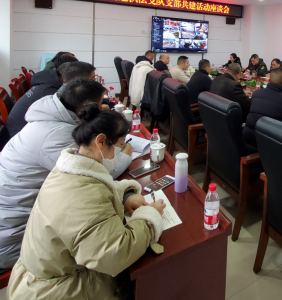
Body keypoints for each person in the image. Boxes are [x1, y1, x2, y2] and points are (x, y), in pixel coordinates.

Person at [7, 104, 165, 300]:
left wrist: (124, 196)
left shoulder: (67, 168)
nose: (123, 151)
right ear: (101, 141)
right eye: (121, 145)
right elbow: (116, 253)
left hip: (43, 273)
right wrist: (149, 218)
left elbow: (94, 188)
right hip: (54, 290)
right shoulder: (86, 194)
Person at [0, 79, 134, 270]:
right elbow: (101, 170)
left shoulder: (48, 116)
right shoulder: (58, 137)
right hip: (16, 237)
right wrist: (125, 153)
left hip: (20, 214)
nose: (102, 108)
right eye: (99, 105)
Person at [5, 61, 96, 138]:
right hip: (18, 132)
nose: (95, 82)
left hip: (23, 131)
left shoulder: (51, 85)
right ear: (80, 80)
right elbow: (72, 121)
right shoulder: (51, 93)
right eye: (92, 79)